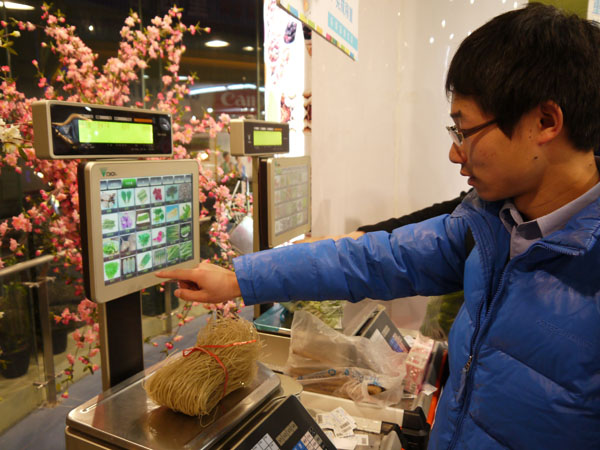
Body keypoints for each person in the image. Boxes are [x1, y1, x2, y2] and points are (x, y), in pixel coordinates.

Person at [157, 5, 600, 449]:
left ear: (545, 122)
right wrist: (238, 278)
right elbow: (372, 258)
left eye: (464, 130)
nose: (454, 153)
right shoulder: (490, 226)